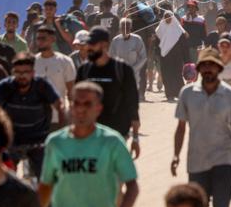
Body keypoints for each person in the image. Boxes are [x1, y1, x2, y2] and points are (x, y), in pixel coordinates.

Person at [171, 48, 231, 207]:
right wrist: (176, 155)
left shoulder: (230, 95)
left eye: (213, 65)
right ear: (199, 69)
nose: (209, 69)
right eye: (205, 66)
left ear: (219, 68)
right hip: (197, 161)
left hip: (224, 161)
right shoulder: (187, 93)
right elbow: (180, 127)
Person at [0, 52, 63, 178]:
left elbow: (60, 106)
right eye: (18, 72)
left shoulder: (42, 86)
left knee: (47, 179)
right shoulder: (5, 86)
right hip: (12, 139)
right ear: (13, 72)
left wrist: (63, 133)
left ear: (33, 73)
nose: (22, 76)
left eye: (26, 72)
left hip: (38, 139)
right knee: (1, 178)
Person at [75, 26, 141, 157]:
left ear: (104, 44)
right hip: (90, 132)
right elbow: (76, 101)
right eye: (88, 44)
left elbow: (132, 102)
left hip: (118, 132)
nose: (89, 48)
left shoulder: (122, 69)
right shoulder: (84, 70)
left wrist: (135, 138)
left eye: (92, 44)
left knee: (113, 173)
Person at [34, 25, 76, 128]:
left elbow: (71, 92)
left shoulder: (65, 61)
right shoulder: (32, 62)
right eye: (38, 38)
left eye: (43, 38)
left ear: (53, 39)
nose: (40, 41)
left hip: (59, 118)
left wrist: (72, 115)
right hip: (36, 119)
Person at [109, 18, 148, 100]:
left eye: (127, 27)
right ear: (120, 28)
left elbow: (143, 57)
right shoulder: (115, 41)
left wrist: (133, 69)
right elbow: (111, 57)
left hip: (133, 74)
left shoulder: (137, 40)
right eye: (123, 27)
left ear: (131, 28)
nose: (125, 29)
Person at [157, 10, 190, 101]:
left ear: (173, 17)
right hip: (165, 57)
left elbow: (184, 44)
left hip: (177, 56)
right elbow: (157, 44)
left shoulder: (179, 29)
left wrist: (186, 59)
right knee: (167, 75)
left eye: (169, 16)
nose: (168, 18)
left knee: (177, 74)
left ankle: (179, 93)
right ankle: (169, 94)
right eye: (166, 17)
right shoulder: (160, 29)